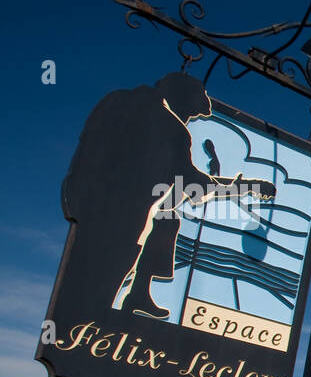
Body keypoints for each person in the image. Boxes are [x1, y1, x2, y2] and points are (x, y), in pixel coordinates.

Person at [60, 71, 275, 319]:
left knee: (167, 219)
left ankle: (138, 292)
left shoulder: (118, 100)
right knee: (91, 308)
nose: (188, 120)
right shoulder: (173, 130)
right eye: (190, 114)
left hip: (79, 200)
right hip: (121, 223)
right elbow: (195, 185)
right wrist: (248, 187)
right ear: (183, 102)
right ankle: (110, 310)